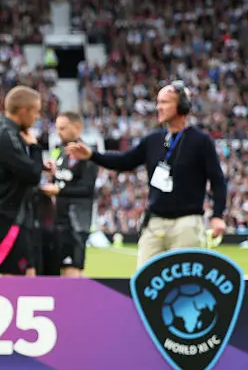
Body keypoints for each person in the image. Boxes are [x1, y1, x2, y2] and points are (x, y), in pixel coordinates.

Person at [66, 82, 227, 266]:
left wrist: (217, 216)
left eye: (165, 102)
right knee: (144, 282)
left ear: (182, 106)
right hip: (155, 223)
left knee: (185, 283)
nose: (159, 107)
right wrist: (92, 155)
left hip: (187, 224)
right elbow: (125, 161)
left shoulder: (201, 141)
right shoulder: (153, 140)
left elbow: (218, 181)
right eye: (158, 102)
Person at [0, 86, 53, 277]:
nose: (37, 117)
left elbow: (14, 166)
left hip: (11, 213)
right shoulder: (7, 136)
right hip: (6, 215)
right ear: (22, 111)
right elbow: (32, 175)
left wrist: (36, 163)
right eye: (35, 112)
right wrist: (35, 148)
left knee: (28, 272)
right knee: (12, 277)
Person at [49, 112, 98, 277]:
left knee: (72, 270)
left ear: (77, 128)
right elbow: (64, 180)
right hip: (60, 220)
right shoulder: (62, 153)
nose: (59, 132)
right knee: (63, 269)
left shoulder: (86, 154)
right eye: (57, 128)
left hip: (76, 222)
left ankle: (77, 303)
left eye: (63, 128)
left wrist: (59, 191)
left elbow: (87, 189)